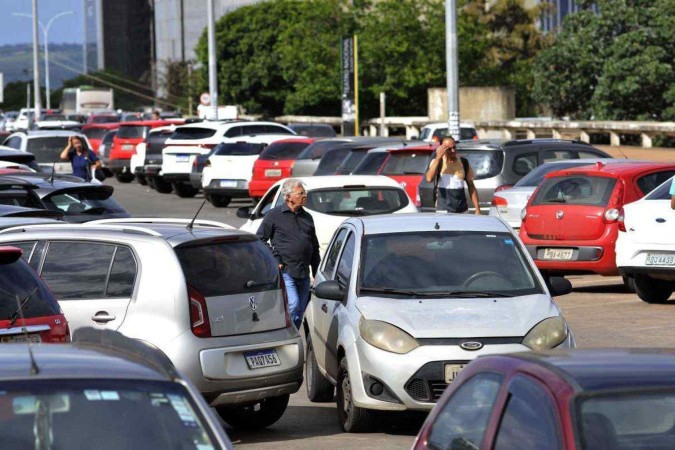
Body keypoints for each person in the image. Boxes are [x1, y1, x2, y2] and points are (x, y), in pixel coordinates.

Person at [257, 179, 320, 329]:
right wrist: (276, 258)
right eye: (301, 193)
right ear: (288, 197)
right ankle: (285, 333)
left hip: (304, 272)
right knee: (294, 304)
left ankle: (293, 335)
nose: (305, 196)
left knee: (300, 310)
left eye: (305, 193)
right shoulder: (274, 215)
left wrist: (317, 271)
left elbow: (314, 246)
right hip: (286, 271)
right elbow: (260, 239)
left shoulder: (307, 217)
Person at [425, 136, 480, 214]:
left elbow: (471, 186)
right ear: (441, 149)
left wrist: (477, 209)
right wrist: (438, 157)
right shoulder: (437, 162)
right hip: (443, 210)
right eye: (449, 149)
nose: (453, 151)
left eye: (454, 147)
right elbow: (429, 179)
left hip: (462, 210)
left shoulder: (463, 162)